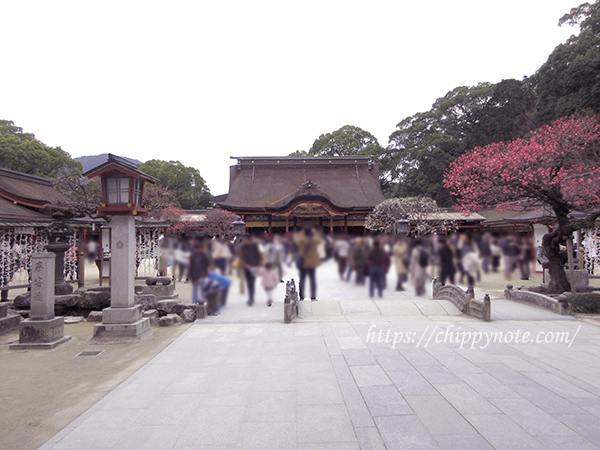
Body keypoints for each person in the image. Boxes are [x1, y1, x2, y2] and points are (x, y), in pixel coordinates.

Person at [294, 226, 323, 301]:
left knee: (302, 280)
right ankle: (313, 297)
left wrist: (301, 233)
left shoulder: (301, 240)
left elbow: (296, 239)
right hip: (312, 263)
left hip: (303, 263)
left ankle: (302, 296)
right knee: (312, 280)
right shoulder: (314, 240)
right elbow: (320, 240)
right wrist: (315, 233)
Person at [238, 234, 262, 306]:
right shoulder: (242, 247)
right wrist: (245, 265)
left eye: (245, 239)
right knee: (248, 282)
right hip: (246, 266)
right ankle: (250, 297)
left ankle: (251, 298)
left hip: (254, 266)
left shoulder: (255, 246)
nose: (244, 241)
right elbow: (241, 257)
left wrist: (258, 265)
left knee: (251, 282)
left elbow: (260, 256)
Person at [188, 240, 211, 305]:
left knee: (203, 288)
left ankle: (202, 300)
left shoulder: (204, 256)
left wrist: (206, 274)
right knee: (195, 289)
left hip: (202, 274)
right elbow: (191, 266)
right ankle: (194, 302)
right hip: (195, 275)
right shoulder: (193, 256)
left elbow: (207, 266)